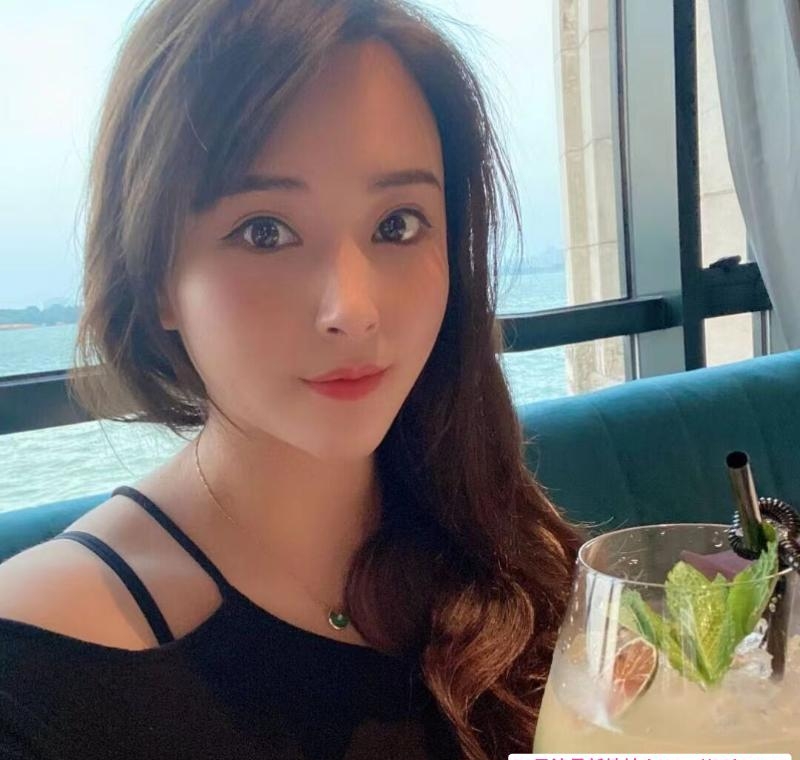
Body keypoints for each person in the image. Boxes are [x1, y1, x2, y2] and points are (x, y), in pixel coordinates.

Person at [0, 0, 583, 758]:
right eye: (265, 231)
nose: (352, 310)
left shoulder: (492, 532)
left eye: (397, 224)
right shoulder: (42, 670)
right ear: (157, 279)